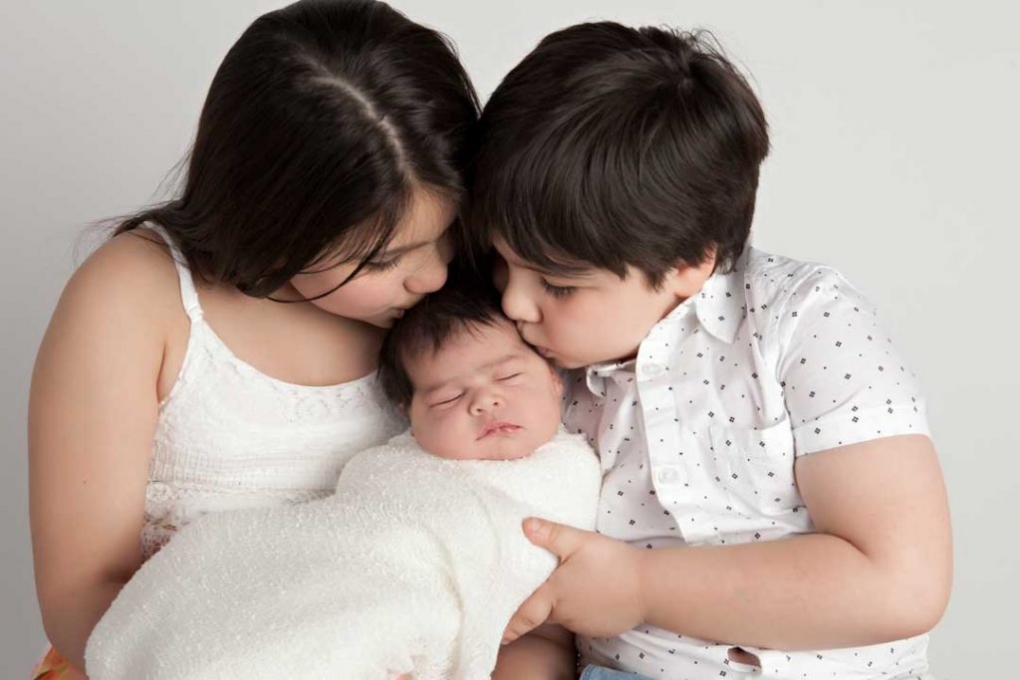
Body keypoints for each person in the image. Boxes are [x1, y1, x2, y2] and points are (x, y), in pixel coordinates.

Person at [468, 21, 952, 680]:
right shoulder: (527, 378)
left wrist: (638, 585)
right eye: (501, 262)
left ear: (687, 265)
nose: (515, 304)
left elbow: (902, 584)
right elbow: (533, 605)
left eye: (557, 283)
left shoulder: (804, 324)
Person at [28, 1, 480, 677]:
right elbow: (80, 593)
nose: (435, 273)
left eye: (449, 233)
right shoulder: (137, 298)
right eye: (383, 261)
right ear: (273, 221)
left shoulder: (467, 301)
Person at [84, 283, 601, 680]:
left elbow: (545, 621)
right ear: (409, 417)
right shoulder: (403, 468)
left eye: (508, 378)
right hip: (345, 574)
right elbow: (347, 538)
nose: (484, 402)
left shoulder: (573, 469)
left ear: (556, 377)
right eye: (446, 399)